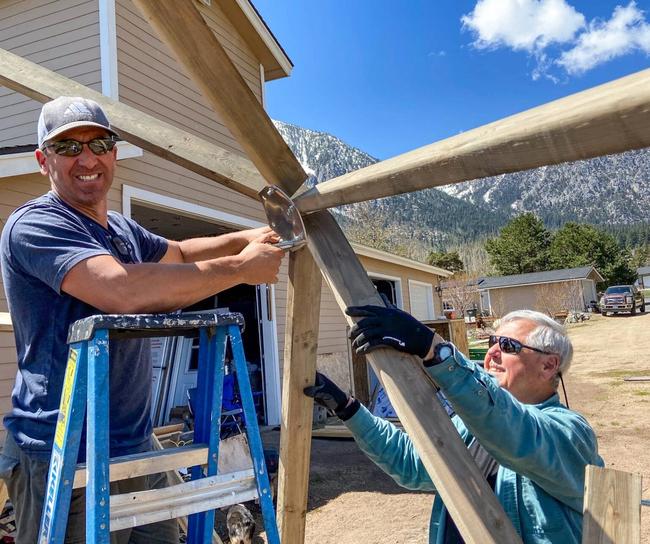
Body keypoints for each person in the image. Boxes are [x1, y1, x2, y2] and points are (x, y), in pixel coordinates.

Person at [0, 96, 286, 543]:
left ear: (114, 152)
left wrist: (249, 237)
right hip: (62, 447)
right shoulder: (37, 225)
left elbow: (181, 253)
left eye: (99, 143)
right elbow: (122, 291)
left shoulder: (119, 229)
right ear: (43, 161)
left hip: (133, 439)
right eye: (68, 148)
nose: (87, 159)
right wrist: (241, 269)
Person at [305, 305, 604, 544]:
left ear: (549, 365)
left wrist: (436, 351)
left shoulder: (570, 433)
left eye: (508, 345)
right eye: (492, 342)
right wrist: (347, 407)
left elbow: (514, 431)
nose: (492, 352)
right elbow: (414, 464)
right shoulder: (473, 423)